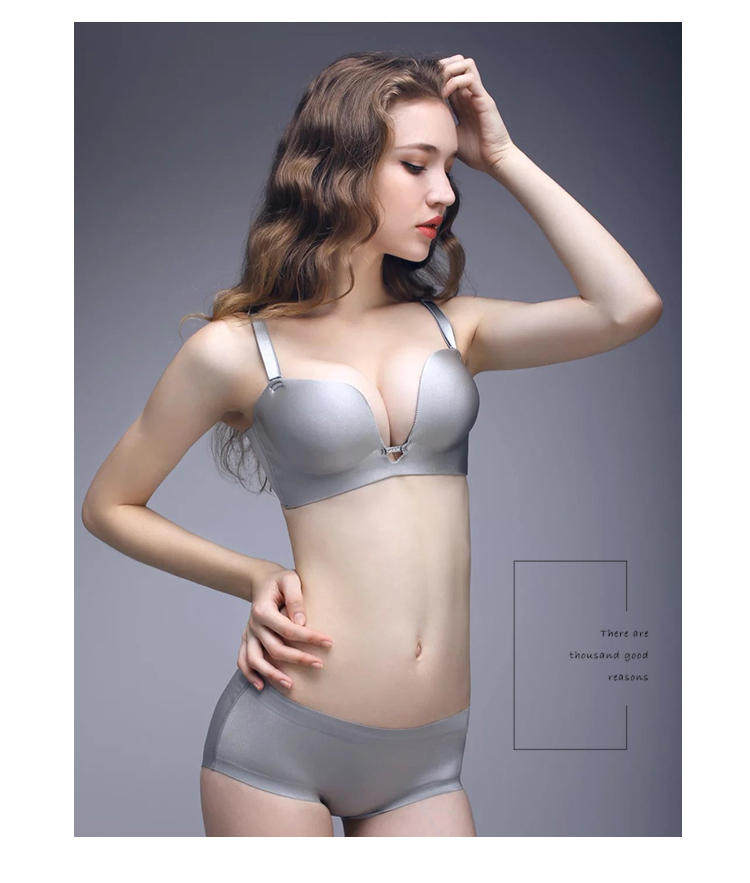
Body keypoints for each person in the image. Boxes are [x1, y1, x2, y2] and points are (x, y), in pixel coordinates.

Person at [81, 51, 663, 837]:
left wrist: (504, 157)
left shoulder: (457, 328)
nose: (444, 192)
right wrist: (254, 574)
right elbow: (108, 505)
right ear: (342, 169)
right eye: (416, 165)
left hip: (427, 763)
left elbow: (629, 306)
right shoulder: (237, 351)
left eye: (450, 168)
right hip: (280, 744)